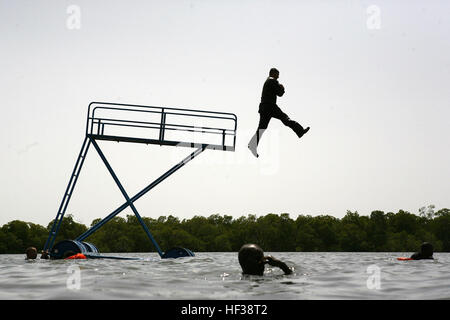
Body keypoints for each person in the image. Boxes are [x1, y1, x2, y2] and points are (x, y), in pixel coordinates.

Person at [248, 68, 310, 158]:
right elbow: (280, 93)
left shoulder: (267, 81)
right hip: (270, 107)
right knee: (285, 119)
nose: (279, 76)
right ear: (273, 73)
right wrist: (282, 88)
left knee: (262, 128)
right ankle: (300, 131)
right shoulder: (273, 81)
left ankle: (253, 145)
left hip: (264, 107)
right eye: (277, 74)